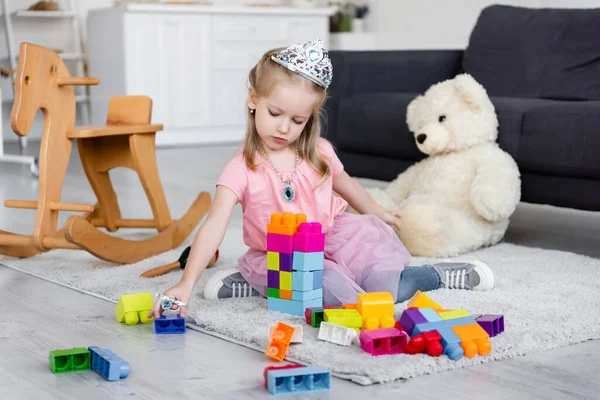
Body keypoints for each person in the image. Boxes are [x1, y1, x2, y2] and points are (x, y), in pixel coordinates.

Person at [149, 39, 494, 319]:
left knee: (386, 289)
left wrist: (379, 212)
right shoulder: (241, 168)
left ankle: (438, 274)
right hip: (280, 256)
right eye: (275, 113)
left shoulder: (319, 152)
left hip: (335, 238)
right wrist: (186, 282)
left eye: (298, 120)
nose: (285, 128)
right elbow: (214, 226)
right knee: (331, 294)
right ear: (254, 100)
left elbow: (348, 186)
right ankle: (260, 282)